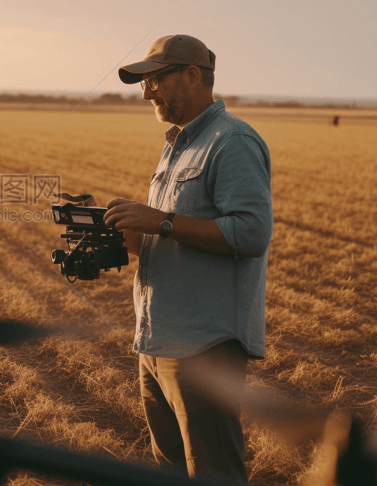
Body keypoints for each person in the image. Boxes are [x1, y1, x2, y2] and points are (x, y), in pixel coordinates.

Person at [103, 34, 273, 486]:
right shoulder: (177, 146)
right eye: (144, 83)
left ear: (193, 76)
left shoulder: (231, 140)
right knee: (172, 474)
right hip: (156, 341)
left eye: (155, 79)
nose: (146, 91)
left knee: (213, 474)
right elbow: (161, 238)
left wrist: (158, 219)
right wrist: (123, 231)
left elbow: (251, 233)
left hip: (204, 347)